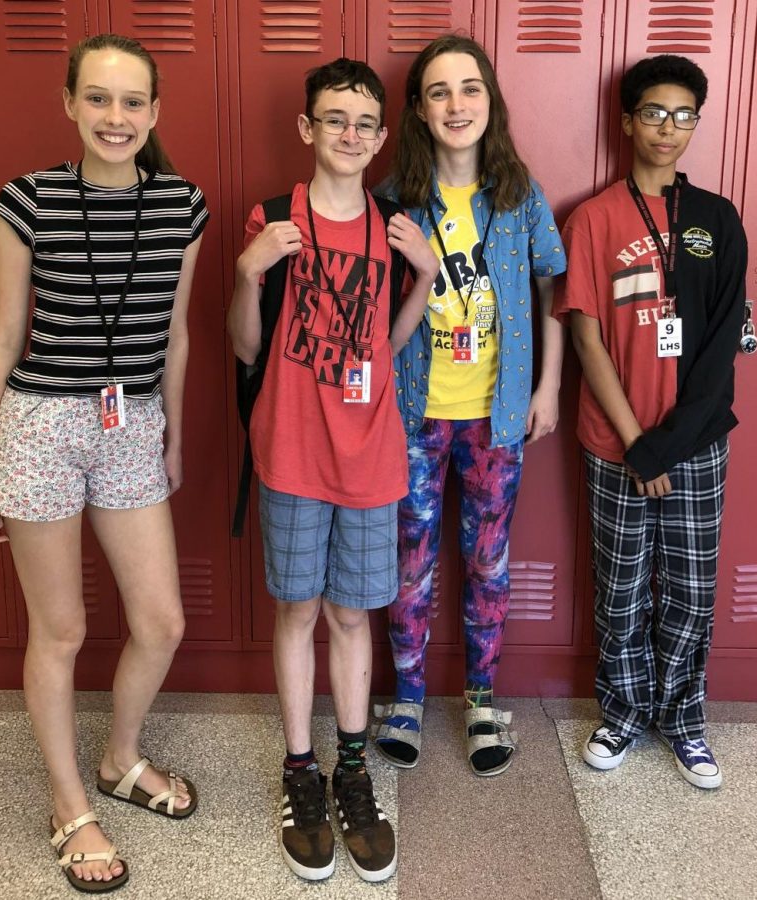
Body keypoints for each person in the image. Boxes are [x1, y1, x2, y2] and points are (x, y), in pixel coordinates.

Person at [0, 33, 208, 892]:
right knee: (60, 630)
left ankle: (118, 759)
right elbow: (3, 335)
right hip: (39, 425)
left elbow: (175, 335)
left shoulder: (183, 205)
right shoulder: (27, 200)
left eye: (132, 101)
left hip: (132, 423)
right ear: (69, 104)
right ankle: (72, 804)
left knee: (161, 621)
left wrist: (174, 434)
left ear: (154, 111)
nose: (115, 116)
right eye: (97, 98)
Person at [228, 58, 438, 882]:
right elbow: (247, 347)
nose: (348, 134)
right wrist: (247, 271)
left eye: (363, 123)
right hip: (289, 451)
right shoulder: (274, 219)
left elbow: (384, 349)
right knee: (297, 611)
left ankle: (352, 771)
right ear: (306, 129)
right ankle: (298, 772)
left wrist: (422, 274)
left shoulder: (392, 226)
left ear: (382, 137)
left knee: (353, 618)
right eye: (332, 119)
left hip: (370, 456)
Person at [373, 34, 567, 777]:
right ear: (419, 112)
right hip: (413, 412)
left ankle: (481, 696)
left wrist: (545, 388)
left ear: (490, 102)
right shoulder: (393, 199)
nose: (456, 104)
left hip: (497, 413)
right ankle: (410, 696)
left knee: (488, 559)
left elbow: (552, 290)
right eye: (438, 92)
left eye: (469, 89)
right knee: (409, 560)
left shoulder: (519, 198)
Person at [553, 55, 747, 789]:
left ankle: (684, 719)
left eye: (683, 115)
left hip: (694, 447)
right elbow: (585, 336)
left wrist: (668, 443)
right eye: (654, 113)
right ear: (627, 121)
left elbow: (723, 337)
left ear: (696, 123)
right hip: (615, 445)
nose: (668, 128)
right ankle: (624, 712)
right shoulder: (593, 218)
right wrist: (637, 444)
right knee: (622, 588)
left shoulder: (714, 220)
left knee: (692, 592)